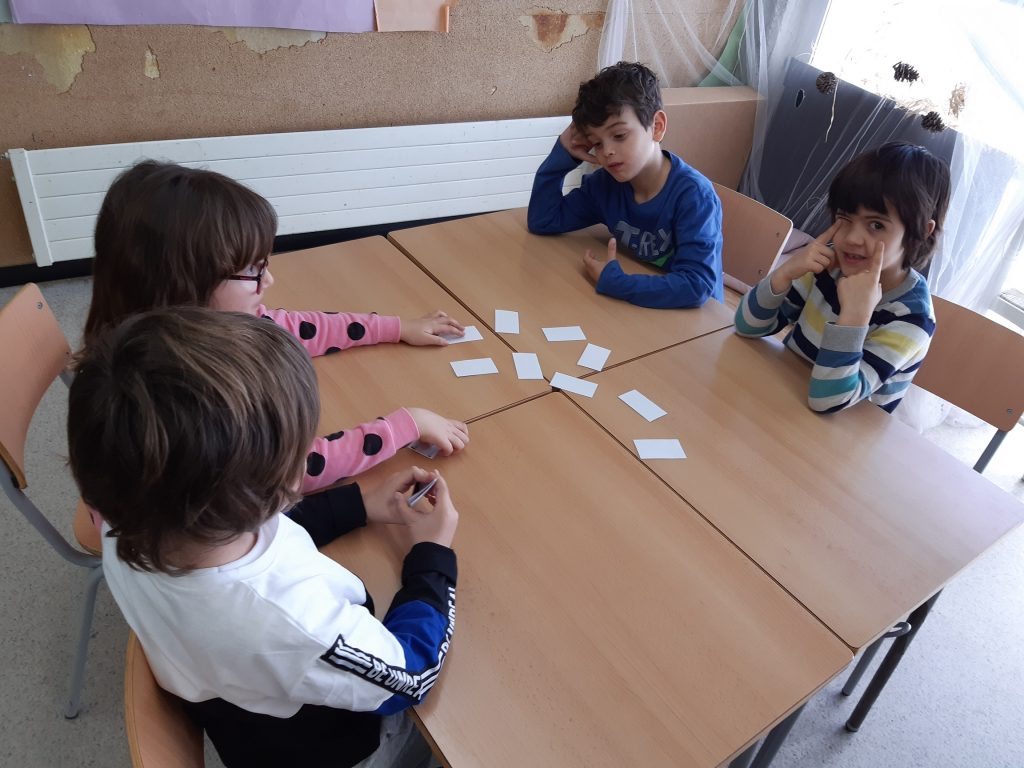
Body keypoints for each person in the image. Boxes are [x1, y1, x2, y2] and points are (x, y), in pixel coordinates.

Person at [68, 307, 458, 768]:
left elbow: (262, 539)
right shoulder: (295, 623)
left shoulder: (126, 522)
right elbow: (408, 677)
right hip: (333, 746)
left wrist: (358, 503)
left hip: (236, 701)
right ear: (273, 488)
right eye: (300, 449)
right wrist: (433, 554)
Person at [83, 160, 468, 493]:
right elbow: (291, 472)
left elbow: (295, 327)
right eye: (252, 269)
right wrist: (404, 426)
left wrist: (395, 327)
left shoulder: (164, 324)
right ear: (181, 287)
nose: (268, 280)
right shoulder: (192, 403)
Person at [734, 141, 952, 413]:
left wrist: (855, 317)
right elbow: (747, 326)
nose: (851, 238)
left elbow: (829, 400)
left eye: (876, 225)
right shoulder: (829, 265)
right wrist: (786, 272)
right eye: (844, 218)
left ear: (922, 231)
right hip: (787, 397)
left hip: (844, 428)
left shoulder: (912, 318)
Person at [526, 61, 723, 309]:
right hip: (640, 308)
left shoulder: (694, 196)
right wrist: (563, 153)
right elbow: (543, 220)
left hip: (697, 321)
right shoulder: (605, 185)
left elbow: (696, 286)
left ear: (657, 127)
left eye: (619, 136)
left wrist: (618, 283)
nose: (607, 152)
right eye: (596, 143)